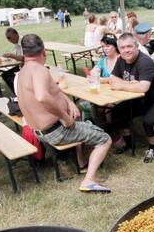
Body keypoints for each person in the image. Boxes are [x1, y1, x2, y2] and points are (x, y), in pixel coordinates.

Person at [16, 34, 112, 193]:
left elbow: (53, 91)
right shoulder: (39, 70)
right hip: (56, 130)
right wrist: (64, 117)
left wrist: (69, 102)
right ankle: (89, 181)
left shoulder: (23, 71)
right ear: (44, 51)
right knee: (105, 139)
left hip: (39, 131)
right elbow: (42, 96)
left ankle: (81, 161)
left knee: (81, 118)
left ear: (24, 52)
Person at [110, 33, 154, 163]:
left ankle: (152, 148)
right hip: (139, 100)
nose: (126, 50)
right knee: (117, 112)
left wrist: (121, 85)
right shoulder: (121, 59)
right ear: (119, 49)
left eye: (129, 46)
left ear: (137, 46)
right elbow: (112, 78)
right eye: (123, 47)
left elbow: (143, 88)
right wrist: (128, 84)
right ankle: (129, 143)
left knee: (149, 121)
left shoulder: (144, 62)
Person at [1, 27, 24, 94]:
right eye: (7, 38)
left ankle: (19, 93)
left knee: (9, 75)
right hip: (21, 65)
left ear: (16, 34)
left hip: (26, 65)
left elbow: (24, 58)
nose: (8, 40)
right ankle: (16, 92)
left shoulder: (23, 41)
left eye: (9, 38)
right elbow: (17, 57)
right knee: (5, 74)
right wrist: (10, 56)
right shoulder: (17, 43)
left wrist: (11, 55)